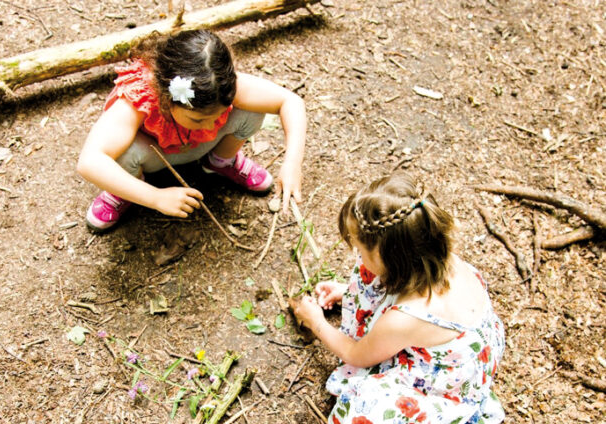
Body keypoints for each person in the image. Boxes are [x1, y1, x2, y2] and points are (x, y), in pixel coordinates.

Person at [290, 171, 505, 423]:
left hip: (445, 381)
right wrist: (347, 292)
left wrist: (315, 321)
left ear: (389, 259)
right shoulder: (434, 257)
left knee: (364, 409)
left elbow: (356, 354)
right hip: (461, 344)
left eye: (359, 248)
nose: (356, 252)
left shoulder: (405, 319)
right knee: (365, 276)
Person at [77, 29, 306, 231]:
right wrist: (155, 197)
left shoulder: (217, 84)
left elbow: (291, 102)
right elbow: (89, 161)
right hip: (155, 156)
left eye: (218, 116)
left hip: (200, 147)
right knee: (123, 154)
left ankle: (220, 162)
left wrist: (292, 163)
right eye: (197, 120)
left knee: (253, 111)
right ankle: (125, 189)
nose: (209, 126)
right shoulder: (139, 98)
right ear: (168, 99)